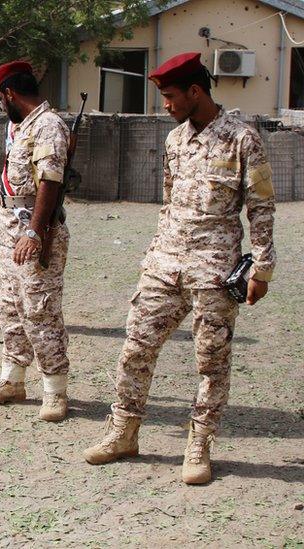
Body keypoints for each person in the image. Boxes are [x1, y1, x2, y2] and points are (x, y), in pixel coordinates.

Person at [83, 52, 276, 485]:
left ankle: (199, 445)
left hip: (214, 269)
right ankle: (124, 432)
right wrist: (154, 253)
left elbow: (261, 207)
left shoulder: (243, 139)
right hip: (164, 264)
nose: (165, 105)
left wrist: (261, 268)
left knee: (211, 361)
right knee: (135, 347)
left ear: (195, 91)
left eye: (170, 96)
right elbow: (169, 203)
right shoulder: (174, 141)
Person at [0, 61, 73, 422]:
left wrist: (34, 231)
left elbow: (50, 181)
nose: (1, 104)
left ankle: (55, 391)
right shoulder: (22, 127)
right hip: (11, 229)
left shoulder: (47, 126)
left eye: (0, 98)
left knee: (40, 310)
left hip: (35, 232)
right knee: (11, 307)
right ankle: (12, 380)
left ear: (9, 93)